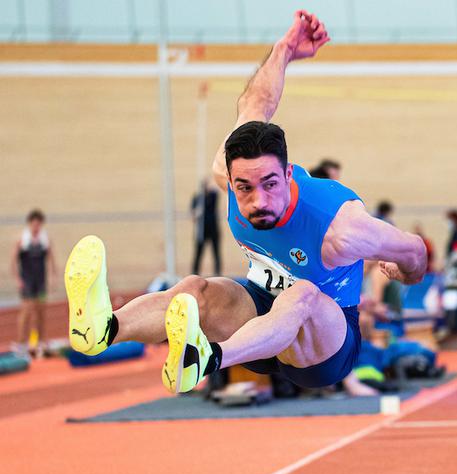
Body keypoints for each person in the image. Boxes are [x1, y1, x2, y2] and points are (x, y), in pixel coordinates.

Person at [63, 10, 426, 394]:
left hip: (323, 349)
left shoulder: (341, 227)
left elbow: (415, 252)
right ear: (231, 179)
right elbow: (256, 104)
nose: (257, 201)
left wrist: (396, 269)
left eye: (270, 184)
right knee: (195, 290)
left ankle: (207, 359)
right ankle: (104, 328)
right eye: (244, 188)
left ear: (288, 175)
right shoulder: (228, 170)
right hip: (259, 321)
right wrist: (284, 49)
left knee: (302, 294)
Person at [11, 209, 56, 357]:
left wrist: (52, 277)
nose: (36, 227)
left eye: (38, 224)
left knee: (41, 311)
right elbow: (13, 261)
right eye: (34, 224)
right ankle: (21, 343)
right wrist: (18, 279)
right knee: (26, 312)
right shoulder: (21, 240)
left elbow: (51, 260)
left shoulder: (45, 240)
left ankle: (42, 342)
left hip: (40, 282)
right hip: (27, 282)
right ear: (30, 224)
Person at [190, 177, 222, 276]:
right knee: (198, 253)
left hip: (213, 229)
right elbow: (193, 215)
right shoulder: (197, 198)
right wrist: (197, 212)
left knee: (216, 252)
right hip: (202, 230)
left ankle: (217, 273)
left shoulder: (213, 196)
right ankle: (195, 273)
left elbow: (217, 191)